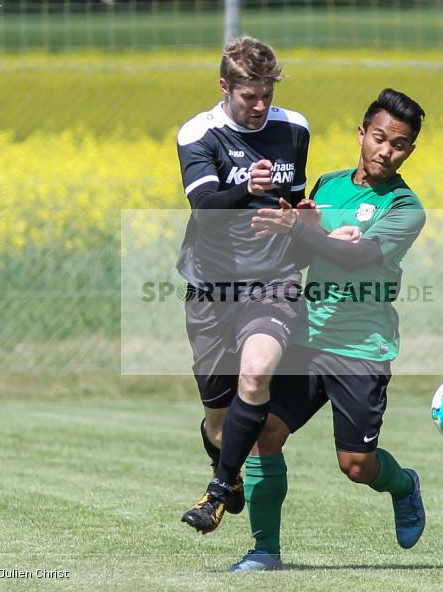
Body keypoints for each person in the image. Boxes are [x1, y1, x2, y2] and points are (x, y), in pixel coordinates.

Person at [231, 88, 428, 571]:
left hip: (362, 347)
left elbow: (356, 257)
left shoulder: (406, 208)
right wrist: (290, 230)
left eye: (399, 145)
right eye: (379, 137)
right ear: (361, 134)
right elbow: (303, 254)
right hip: (305, 338)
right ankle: (264, 551)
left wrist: (304, 231)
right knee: (265, 435)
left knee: (355, 467)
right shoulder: (327, 183)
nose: (386, 151)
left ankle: (403, 485)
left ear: (409, 152)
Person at [175, 36, 310, 534]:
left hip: (272, 283)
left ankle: (215, 492)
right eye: (248, 96)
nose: (258, 107)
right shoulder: (198, 134)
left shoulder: (294, 129)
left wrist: (300, 221)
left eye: (266, 95)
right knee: (218, 419)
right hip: (211, 288)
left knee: (255, 375)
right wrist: (244, 190)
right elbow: (206, 211)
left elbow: (291, 201)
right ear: (224, 86)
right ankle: (224, 467)